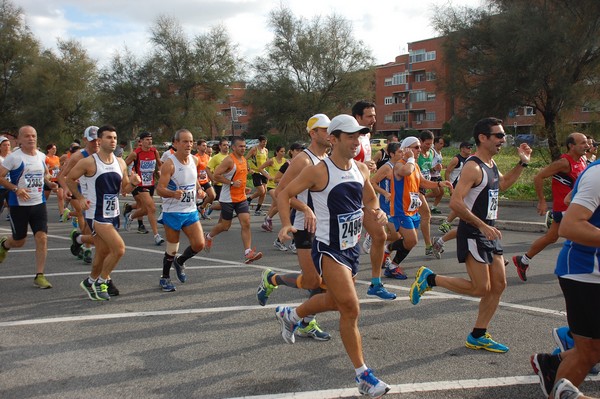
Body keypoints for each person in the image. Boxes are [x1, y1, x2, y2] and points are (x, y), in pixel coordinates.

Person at [274, 114, 390, 398]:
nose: (356, 141)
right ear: (334, 138)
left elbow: (370, 197)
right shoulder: (318, 170)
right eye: (350, 136)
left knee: (336, 301)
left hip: (351, 248)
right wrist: (287, 223)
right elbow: (284, 192)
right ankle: (363, 376)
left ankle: (292, 314)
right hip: (328, 247)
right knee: (351, 307)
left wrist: (377, 210)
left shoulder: (361, 169)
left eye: (359, 136)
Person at [409, 117, 532, 353]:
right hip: (474, 231)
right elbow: (456, 202)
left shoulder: (491, 164)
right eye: (498, 135)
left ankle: (478, 334)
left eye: (503, 135)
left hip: (489, 232)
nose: (503, 140)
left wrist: (522, 164)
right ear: (482, 138)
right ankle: (430, 279)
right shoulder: (473, 166)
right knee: (480, 288)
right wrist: (481, 225)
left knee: (499, 285)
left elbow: (502, 184)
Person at [256, 114, 334, 341]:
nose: (329, 134)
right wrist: (300, 212)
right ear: (313, 133)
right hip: (305, 227)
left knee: (326, 282)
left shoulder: (330, 158)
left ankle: (307, 323)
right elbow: (280, 192)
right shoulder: (303, 160)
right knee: (313, 281)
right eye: (324, 130)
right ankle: (272, 279)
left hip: (327, 228)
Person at [531, 157, 600, 398]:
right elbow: (569, 227)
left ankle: (555, 366)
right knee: (589, 351)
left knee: (590, 351)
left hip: (589, 272)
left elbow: (571, 198)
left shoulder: (589, 171)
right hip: (586, 273)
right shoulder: (597, 173)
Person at [67, 124, 140, 300]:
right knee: (119, 249)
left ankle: (90, 281)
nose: (113, 141)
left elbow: (124, 189)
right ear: (99, 141)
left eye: (114, 138)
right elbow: (69, 178)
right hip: (96, 214)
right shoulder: (88, 162)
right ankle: (101, 282)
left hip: (113, 213)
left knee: (102, 252)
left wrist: (134, 183)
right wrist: (80, 198)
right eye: (108, 137)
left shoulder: (120, 162)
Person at [512, 132, 588, 281]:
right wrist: (542, 201)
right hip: (565, 209)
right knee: (583, 236)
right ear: (571, 146)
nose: (587, 145)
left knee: (552, 237)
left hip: (575, 207)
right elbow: (539, 176)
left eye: (587, 142)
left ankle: (524, 260)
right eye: (583, 143)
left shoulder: (583, 160)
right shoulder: (564, 163)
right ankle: (578, 272)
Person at [383, 136, 452, 279]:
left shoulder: (414, 165)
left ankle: (388, 251)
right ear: (407, 149)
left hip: (412, 209)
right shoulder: (400, 165)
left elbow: (423, 182)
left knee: (409, 241)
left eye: (419, 147)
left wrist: (439, 184)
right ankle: (392, 264)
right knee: (412, 240)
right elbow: (406, 172)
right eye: (416, 147)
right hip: (401, 210)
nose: (419, 150)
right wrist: (410, 158)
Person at [0, 125, 56, 288]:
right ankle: (4, 245)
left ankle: (40, 275)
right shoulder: (14, 158)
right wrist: (16, 189)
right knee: (19, 241)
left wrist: (49, 184)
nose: (31, 138)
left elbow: (44, 174)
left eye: (33, 136)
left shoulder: (41, 156)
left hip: (38, 204)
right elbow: (1, 177)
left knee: (42, 237)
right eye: (27, 136)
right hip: (19, 205)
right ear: (19, 140)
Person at [351, 100, 394, 300]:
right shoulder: (348, 136)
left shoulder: (367, 135)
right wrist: (360, 164)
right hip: (347, 196)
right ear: (357, 117)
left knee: (380, 236)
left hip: (364, 195)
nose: (373, 120)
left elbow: (363, 166)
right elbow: (338, 160)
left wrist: (368, 167)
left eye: (374, 115)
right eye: (369, 116)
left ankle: (375, 284)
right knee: (345, 244)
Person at [155, 129, 205, 292]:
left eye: (191, 141)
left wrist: (199, 190)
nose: (189, 145)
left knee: (199, 244)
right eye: (184, 141)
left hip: (190, 210)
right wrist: (172, 193)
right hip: (173, 211)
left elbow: (194, 179)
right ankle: (165, 277)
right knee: (172, 248)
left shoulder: (194, 160)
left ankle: (180, 261)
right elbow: (160, 189)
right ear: (175, 144)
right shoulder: (169, 164)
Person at [204, 136, 262, 264]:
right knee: (225, 226)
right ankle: (208, 236)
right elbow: (216, 176)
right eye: (240, 146)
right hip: (228, 198)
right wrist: (231, 183)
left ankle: (248, 252)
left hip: (241, 198)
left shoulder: (244, 160)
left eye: (244, 146)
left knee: (246, 223)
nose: (243, 148)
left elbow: (240, 177)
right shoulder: (229, 160)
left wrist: (244, 187)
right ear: (234, 147)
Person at [57, 126, 100, 264]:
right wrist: (65, 189)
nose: (96, 143)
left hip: (99, 193)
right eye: (92, 140)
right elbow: (61, 176)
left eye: (98, 139)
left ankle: (78, 238)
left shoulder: (104, 154)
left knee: (92, 223)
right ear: (85, 140)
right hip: (82, 193)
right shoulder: (78, 156)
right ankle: (87, 249)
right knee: (87, 219)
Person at [432, 142, 473, 259]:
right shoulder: (456, 159)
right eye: (467, 147)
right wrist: (450, 187)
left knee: (465, 217)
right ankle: (445, 225)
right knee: (462, 211)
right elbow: (448, 172)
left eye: (471, 147)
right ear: (462, 148)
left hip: (467, 188)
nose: (469, 149)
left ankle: (442, 235)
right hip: (456, 187)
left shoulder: (471, 159)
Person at [124, 131, 165, 245]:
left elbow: (160, 164)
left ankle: (130, 216)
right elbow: (123, 164)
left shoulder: (154, 151)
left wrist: (161, 172)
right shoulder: (136, 153)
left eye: (150, 139)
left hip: (151, 183)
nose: (149, 141)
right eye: (147, 139)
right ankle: (156, 235)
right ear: (141, 142)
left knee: (146, 209)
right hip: (140, 185)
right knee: (152, 208)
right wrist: (129, 177)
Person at [257, 145, 287, 235]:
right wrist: (268, 176)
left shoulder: (286, 161)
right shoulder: (272, 160)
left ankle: (265, 222)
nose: (283, 153)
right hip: (272, 186)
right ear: (277, 152)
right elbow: (260, 168)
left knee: (274, 206)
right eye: (281, 151)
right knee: (280, 203)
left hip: (281, 186)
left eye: (284, 151)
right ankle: (268, 219)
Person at [416, 130, 435, 256]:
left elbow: (428, 169)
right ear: (421, 141)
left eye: (430, 144)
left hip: (424, 187)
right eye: (427, 144)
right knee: (426, 215)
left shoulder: (431, 153)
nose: (429, 146)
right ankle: (428, 246)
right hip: (415, 188)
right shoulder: (417, 155)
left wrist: (435, 169)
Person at [205, 138, 230, 216]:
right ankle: (212, 207)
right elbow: (207, 168)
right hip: (219, 184)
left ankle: (224, 216)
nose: (226, 146)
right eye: (224, 145)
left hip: (228, 183)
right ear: (220, 146)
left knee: (228, 202)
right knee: (224, 204)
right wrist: (213, 179)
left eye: (227, 145)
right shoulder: (216, 157)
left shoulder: (230, 157)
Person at [246, 135, 269, 216]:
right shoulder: (254, 149)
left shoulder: (266, 150)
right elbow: (245, 159)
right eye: (263, 142)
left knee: (264, 192)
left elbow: (267, 161)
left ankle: (258, 209)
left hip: (263, 172)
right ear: (260, 142)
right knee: (261, 191)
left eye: (265, 143)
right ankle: (248, 199)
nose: (264, 144)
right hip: (255, 172)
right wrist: (249, 169)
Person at [44, 143, 67, 221]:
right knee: (44, 198)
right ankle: (40, 211)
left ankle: (62, 214)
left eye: (55, 149)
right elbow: (45, 169)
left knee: (60, 197)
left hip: (57, 180)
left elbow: (59, 167)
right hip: (49, 181)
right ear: (48, 149)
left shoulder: (57, 158)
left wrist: (62, 167)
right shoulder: (46, 158)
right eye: (53, 149)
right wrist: (52, 168)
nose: (55, 150)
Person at [195, 139, 216, 220]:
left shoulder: (207, 157)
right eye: (203, 145)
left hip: (205, 181)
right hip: (197, 182)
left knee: (212, 195)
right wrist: (198, 185)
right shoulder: (196, 157)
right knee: (195, 200)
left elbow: (209, 170)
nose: (205, 147)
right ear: (198, 146)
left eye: (206, 146)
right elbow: (193, 171)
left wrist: (213, 179)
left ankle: (201, 207)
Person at [427, 136, 445, 214]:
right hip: (432, 175)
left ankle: (434, 207)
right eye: (440, 143)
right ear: (435, 143)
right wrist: (434, 168)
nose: (442, 145)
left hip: (437, 175)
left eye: (443, 144)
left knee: (442, 192)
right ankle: (422, 197)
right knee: (436, 192)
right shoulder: (432, 152)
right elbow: (427, 164)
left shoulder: (440, 153)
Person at [0, 136, 12, 218]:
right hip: (0, 187)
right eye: (4, 145)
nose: (6, 147)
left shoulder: (13, 157)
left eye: (8, 145)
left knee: (12, 206)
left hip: (11, 186)